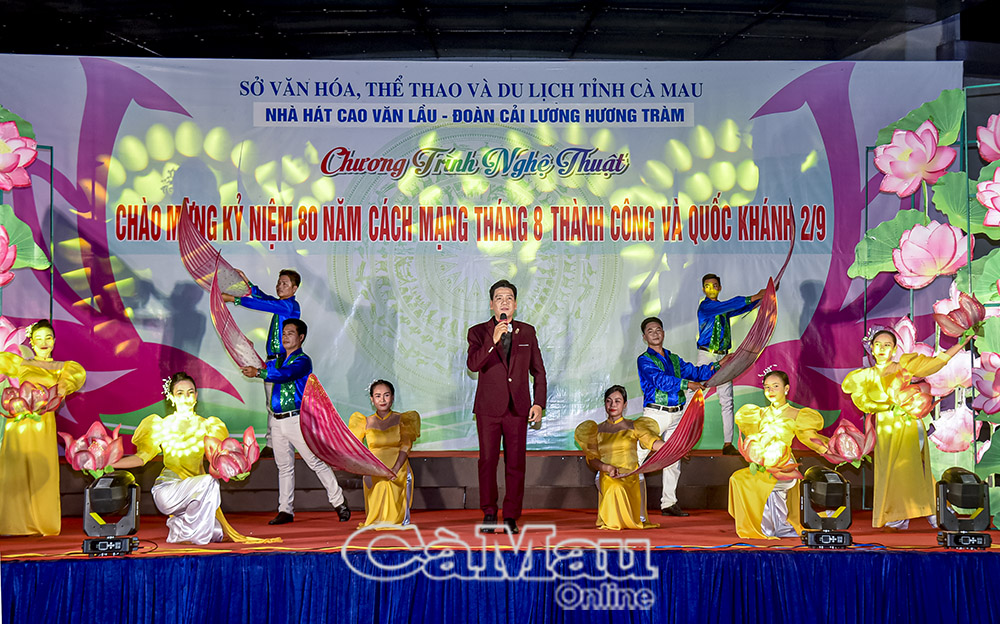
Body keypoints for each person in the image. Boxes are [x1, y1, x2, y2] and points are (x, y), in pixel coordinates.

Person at [113, 373, 279, 545]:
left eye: (190, 392)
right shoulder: (161, 425)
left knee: (217, 533)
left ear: (196, 396)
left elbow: (223, 461)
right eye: (180, 393)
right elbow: (141, 459)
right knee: (209, 482)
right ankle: (193, 536)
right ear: (171, 398)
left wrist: (237, 470)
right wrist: (111, 464)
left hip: (195, 493)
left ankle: (180, 526)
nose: (186, 397)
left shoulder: (208, 426)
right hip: (168, 490)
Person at [842, 328, 970, 530]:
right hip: (885, 426)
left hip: (907, 422)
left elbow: (934, 364)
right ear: (871, 348)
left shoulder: (904, 365)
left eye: (887, 345)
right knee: (890, 470)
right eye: (878, 345)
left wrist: (960, 344)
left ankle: (934, 510)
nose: (882, 349)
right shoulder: (864, 376)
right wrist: (887, 406)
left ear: (894, 350)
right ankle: (897, 514)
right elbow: (863, 402)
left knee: (914, 466)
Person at [240, 319, 350, 525]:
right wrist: (247, 352)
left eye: (290, 333)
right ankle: (285, 510)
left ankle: (339, 502)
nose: (285, 337)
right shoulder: (277, 361)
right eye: (283, 333)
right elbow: (263, 367)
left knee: (314, 461)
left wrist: (259, 372)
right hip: (277, 420)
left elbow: (285, 375)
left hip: (296, 419)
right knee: (284, 467)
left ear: (301, 338)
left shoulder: (302, 361)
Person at [467, 279, 546, 535]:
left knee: (516, 464)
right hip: (488, 409)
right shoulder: (478, 332)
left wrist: (539, 403)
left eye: (509, 298)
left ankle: (511, 515)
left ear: (515, 304)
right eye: (499, 298)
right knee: (487, 462)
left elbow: (538, 371)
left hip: (517, 409)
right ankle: (489, 513)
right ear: (491, 304)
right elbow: (473, 365)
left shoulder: (528, 332)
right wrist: (493, 340)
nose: (504, 302)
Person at [0, 320, 86, 536]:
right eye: (38, 339)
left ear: (54, 341)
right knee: (15, 470)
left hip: (43, 423)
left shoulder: (64, 367)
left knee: (42, 471)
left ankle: (42, 523)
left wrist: (61, 388)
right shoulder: (20, 363)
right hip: (18, 423)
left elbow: (70, 381)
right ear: (31, 342)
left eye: (48, 337)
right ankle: (12, 524)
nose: (43, 342)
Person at [728, 370, 829, 539]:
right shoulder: (758, 414)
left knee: (763, 483)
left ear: (786, 389)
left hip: (785, 465)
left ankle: (779, 525)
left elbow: (811, 439)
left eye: (775, 386)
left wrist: (829, 450)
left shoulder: (797, 414)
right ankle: (765, 525)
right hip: (765, 464)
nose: (771, 391)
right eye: (767, 387)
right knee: (738, 478)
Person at [637, 316, 718, 517]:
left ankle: (669, 503)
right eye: (650, 331)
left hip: (677, 413)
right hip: (655, 414)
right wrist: (687, 384)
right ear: (644, 337)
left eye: (658, 329)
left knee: (673, 459)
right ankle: (630, 501)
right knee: (637, 457)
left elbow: (695, 372)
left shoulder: (673, 359)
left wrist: (718, 366)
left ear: (663, 333)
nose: (655, 333)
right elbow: (660, 380)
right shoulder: (644, 360)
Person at [575, 385, 666, 530]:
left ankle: (622, 519)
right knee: (615, 487)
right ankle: (615, 521)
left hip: (631, 474)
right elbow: (592, 459)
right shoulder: (596, 430)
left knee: (622, 487)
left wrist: (675, 448)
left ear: (625, 404)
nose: (612, 405)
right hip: (607, 474)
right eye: (609, 401)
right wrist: (607, 468)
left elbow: (653, 443)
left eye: (617, 401)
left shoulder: (634, 426)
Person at [696, 273, 765, 455]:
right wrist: (756, 296)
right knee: (695, 395)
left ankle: (728, 444)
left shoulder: (722, 309)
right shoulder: (706, 306)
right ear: (703, 289)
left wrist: (763, 299)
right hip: (706, 356)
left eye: (715, 285)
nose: (711, 288)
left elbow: (739, 307)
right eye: (707, 285)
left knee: (727, 400)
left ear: (719, 288)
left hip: (724, 357)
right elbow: (732, 304)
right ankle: (681, 441)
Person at [223, 268, 301, 413]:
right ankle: (274, 429)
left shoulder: (290, 306)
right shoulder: (281, 304)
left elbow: (263, 304)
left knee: (280, 407)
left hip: (283, 362)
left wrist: (234, 299)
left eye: (284, 284)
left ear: (294, 288)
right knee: (270, 405)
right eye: (279, 283)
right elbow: (265, 299)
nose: (280, 286)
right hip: (272, 362)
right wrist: (247, 282)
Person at [348, 380, 420, 528]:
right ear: (372, 399)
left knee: (396, 519)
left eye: (386, 395)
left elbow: (406, 446)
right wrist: (367, 469)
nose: (382, 399)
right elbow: (356, 450)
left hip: (398, 468)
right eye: (378, 396)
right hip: (374, 469)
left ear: (392, 397)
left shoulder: (403, 420)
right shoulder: (364, 421)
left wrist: (395, 469)